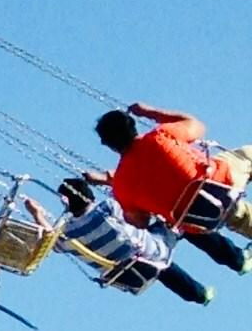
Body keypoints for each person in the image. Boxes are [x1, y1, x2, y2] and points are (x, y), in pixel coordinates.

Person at [99, 106, 249, 272]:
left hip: (198, 220)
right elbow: (198, 126)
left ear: (109, 145)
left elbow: (140, 222)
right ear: (132, 125)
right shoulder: (161, 136)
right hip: (222, 183)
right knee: (245, 156)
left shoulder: (121, 185)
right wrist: (150, 112)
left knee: (233, 213)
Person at [60, 173, 213, 304]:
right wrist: (105, 180)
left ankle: (200, 295)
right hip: (149, 251)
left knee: (159, 267)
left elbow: (54, 243)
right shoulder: (107, 207)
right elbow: (132, 210)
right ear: (89, 194)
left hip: (126, 275)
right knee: (178, 220)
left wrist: (37, 212)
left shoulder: (69, 232)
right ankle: (233, 257)